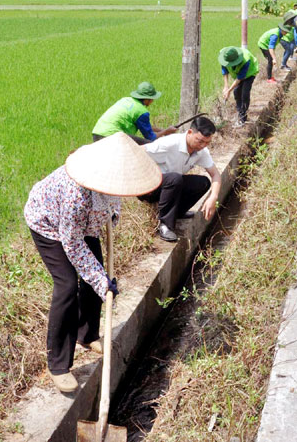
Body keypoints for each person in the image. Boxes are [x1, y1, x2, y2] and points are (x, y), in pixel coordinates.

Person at [24, 133, 162, 393]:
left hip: (86, 225)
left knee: (96, 276)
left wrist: (113, 215)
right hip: (49, 224)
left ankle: (86, 335)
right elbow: (72, 243)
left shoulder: (114, 174)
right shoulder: (76, 194)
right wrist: (101, 281)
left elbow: (114, 200)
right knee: (67, 286)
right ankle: (58, 365)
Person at [141, 116, 222, 242]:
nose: (203, 146)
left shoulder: (201, 151)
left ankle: (177, 212)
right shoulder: (170, 143)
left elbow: (215, 175)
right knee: (175, 178)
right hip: (148, 187)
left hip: (170, 186)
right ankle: (165, 225)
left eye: (207, 143)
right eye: (200, 141)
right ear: (190, 132)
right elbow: (138, 152)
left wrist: (213, 197)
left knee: (203, 182)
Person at [92, 82, 176, 144]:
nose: (152, 101)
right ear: (147, 99)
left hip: (97, 132)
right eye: (152, 99)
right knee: (149, 146)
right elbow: (151, 138)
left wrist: (164, 130)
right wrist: (166, 131)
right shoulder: (142, 112)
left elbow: (147, 127)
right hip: (113, 136)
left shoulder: (125, 100)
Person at [219, 46, 259, 128]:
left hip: (249, 73)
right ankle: (239, 112)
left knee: (244, 93)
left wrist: (229, 90)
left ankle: (243, 117)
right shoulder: (224, 55)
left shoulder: (246, 59)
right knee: (236, 92)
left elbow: (240, 78)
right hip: (238, 75)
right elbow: (224, 69)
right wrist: (226, 86)